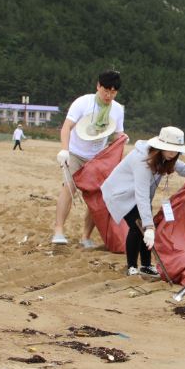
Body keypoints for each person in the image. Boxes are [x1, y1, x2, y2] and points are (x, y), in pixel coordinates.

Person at [101, 126, 185, 277]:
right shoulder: (142, 160)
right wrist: (149, 226)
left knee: (145, 227)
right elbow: (141, 195)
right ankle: (132, 266)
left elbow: (180, 167)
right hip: (120, 194)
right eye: (169, 149)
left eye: (176, 150)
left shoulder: (166, 157)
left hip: (137, 195)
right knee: (138, 226)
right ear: (160, 147)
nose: (173, 153)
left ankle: (146, 265)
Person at [52, 71, 125, 248]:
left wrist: (122, 140)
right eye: (106, 90)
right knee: (69, 188)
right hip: (76, 153)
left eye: (113, 92)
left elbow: (117, 134)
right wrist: (64, 150)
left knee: (96, 198)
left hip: (97, 158)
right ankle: (59, 230)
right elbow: (66, 127)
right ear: (98, 86)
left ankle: (85, 236)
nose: (109, 95)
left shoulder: (117, 109)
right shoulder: (82, 102)